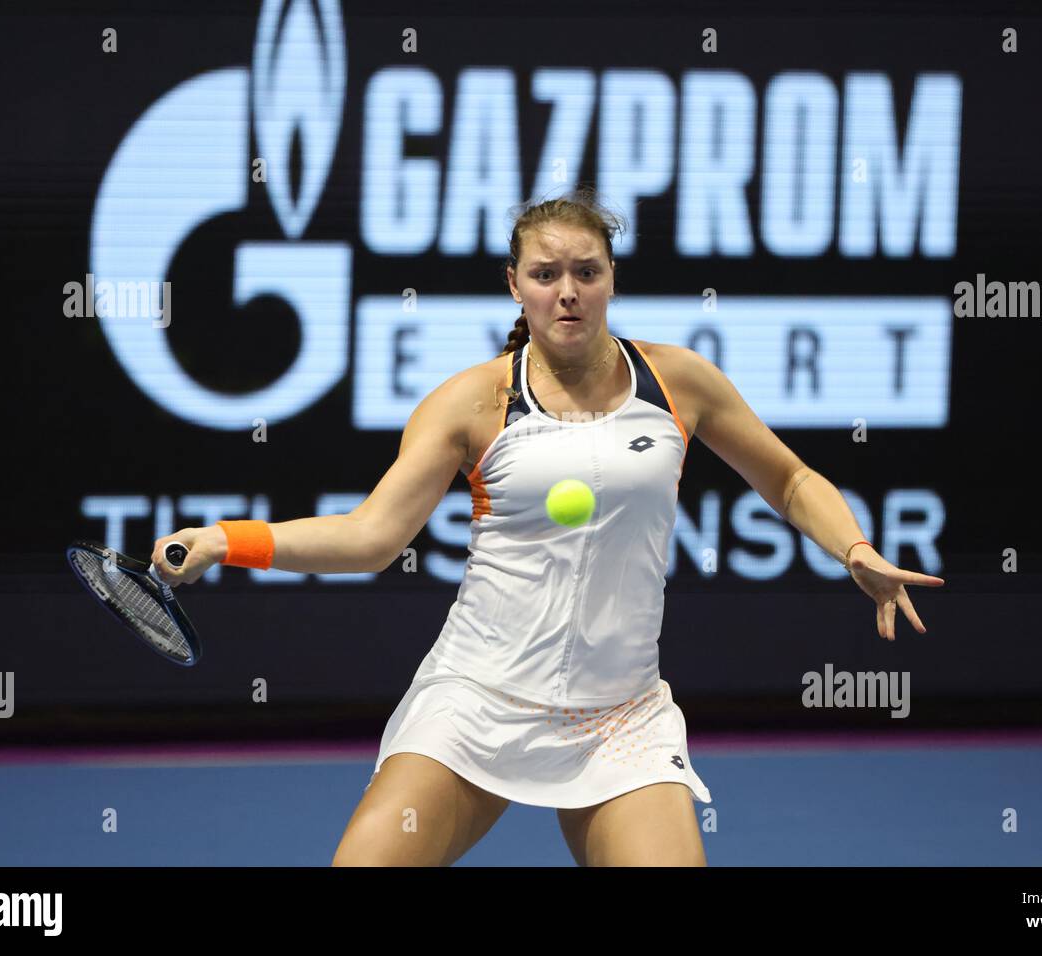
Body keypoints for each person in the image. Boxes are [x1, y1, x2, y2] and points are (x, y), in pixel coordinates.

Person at [151, 187, 945, 867]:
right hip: (476, 700)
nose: (567, 291)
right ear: (515, 285)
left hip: (618, 717)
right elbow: (371, 536)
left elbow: (791, 477)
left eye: (586, 272)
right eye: (545, 273)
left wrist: (855, 548)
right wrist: (230, 539)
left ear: (610, 282)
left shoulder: (680, 383)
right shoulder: (470, 403)